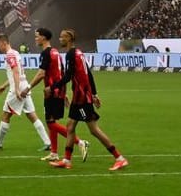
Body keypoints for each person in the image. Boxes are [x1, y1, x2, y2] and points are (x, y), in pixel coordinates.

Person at [53, 29, 127, 171]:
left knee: (94, 130)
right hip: (80, 96)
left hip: (81, 98)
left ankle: (119, 158)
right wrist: (94, 93)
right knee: (70, 127)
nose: (60, 39)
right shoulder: (79, 53)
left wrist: (54, 87)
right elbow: (89, 74)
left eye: (62, 37)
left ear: (69, 38)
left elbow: (68, 76)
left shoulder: (71, 54)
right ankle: (66, 160)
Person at [0, 32, 50, 151]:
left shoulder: (10, 55)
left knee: (5, 115)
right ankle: (48, 142)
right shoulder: (15, 53)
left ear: (5, 43)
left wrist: (15, 89)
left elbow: (15, 71)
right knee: (32, 115)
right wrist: (5, 85)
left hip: (18, 88)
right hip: (24, 85)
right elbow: (17, 73)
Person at [22, 27, 70, 162]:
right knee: (52, 121)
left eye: (37, 36)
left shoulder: (46, 53)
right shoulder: (55, 52)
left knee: (50, 123)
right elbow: (61, 73)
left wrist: (28, 87)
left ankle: (79, 142)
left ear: (43, 37)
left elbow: (41, 74)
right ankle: (54, 153)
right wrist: (63, 92)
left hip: (51, 92)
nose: (35, 38)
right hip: (58, 91)